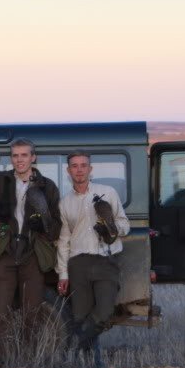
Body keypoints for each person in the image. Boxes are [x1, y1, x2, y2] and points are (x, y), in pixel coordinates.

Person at [0, 138, 61, 351]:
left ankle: (28, 363)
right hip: (6, 254)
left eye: (24, 155)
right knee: (1, 311)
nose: (19, 160)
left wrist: (43, 224)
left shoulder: (47, 187)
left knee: (32, 311)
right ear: (11, 158)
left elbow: (56, 227)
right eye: (15, 155)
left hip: (32, 255)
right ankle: (1, 362)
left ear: (33, 157)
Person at [56, 151, 130, 356]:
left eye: (83, 165)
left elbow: (125, 224)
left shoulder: (108, 192)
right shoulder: (64, 203)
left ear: (90, 169)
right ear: (68, 170)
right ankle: (90, 360)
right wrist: (63, 274)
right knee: (80, 314)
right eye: (74, 166)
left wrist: (113, 229)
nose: (79, 169)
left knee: (105, 313)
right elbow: (64, 240)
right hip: (78, 263)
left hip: (106, 260)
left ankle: (76, 343)